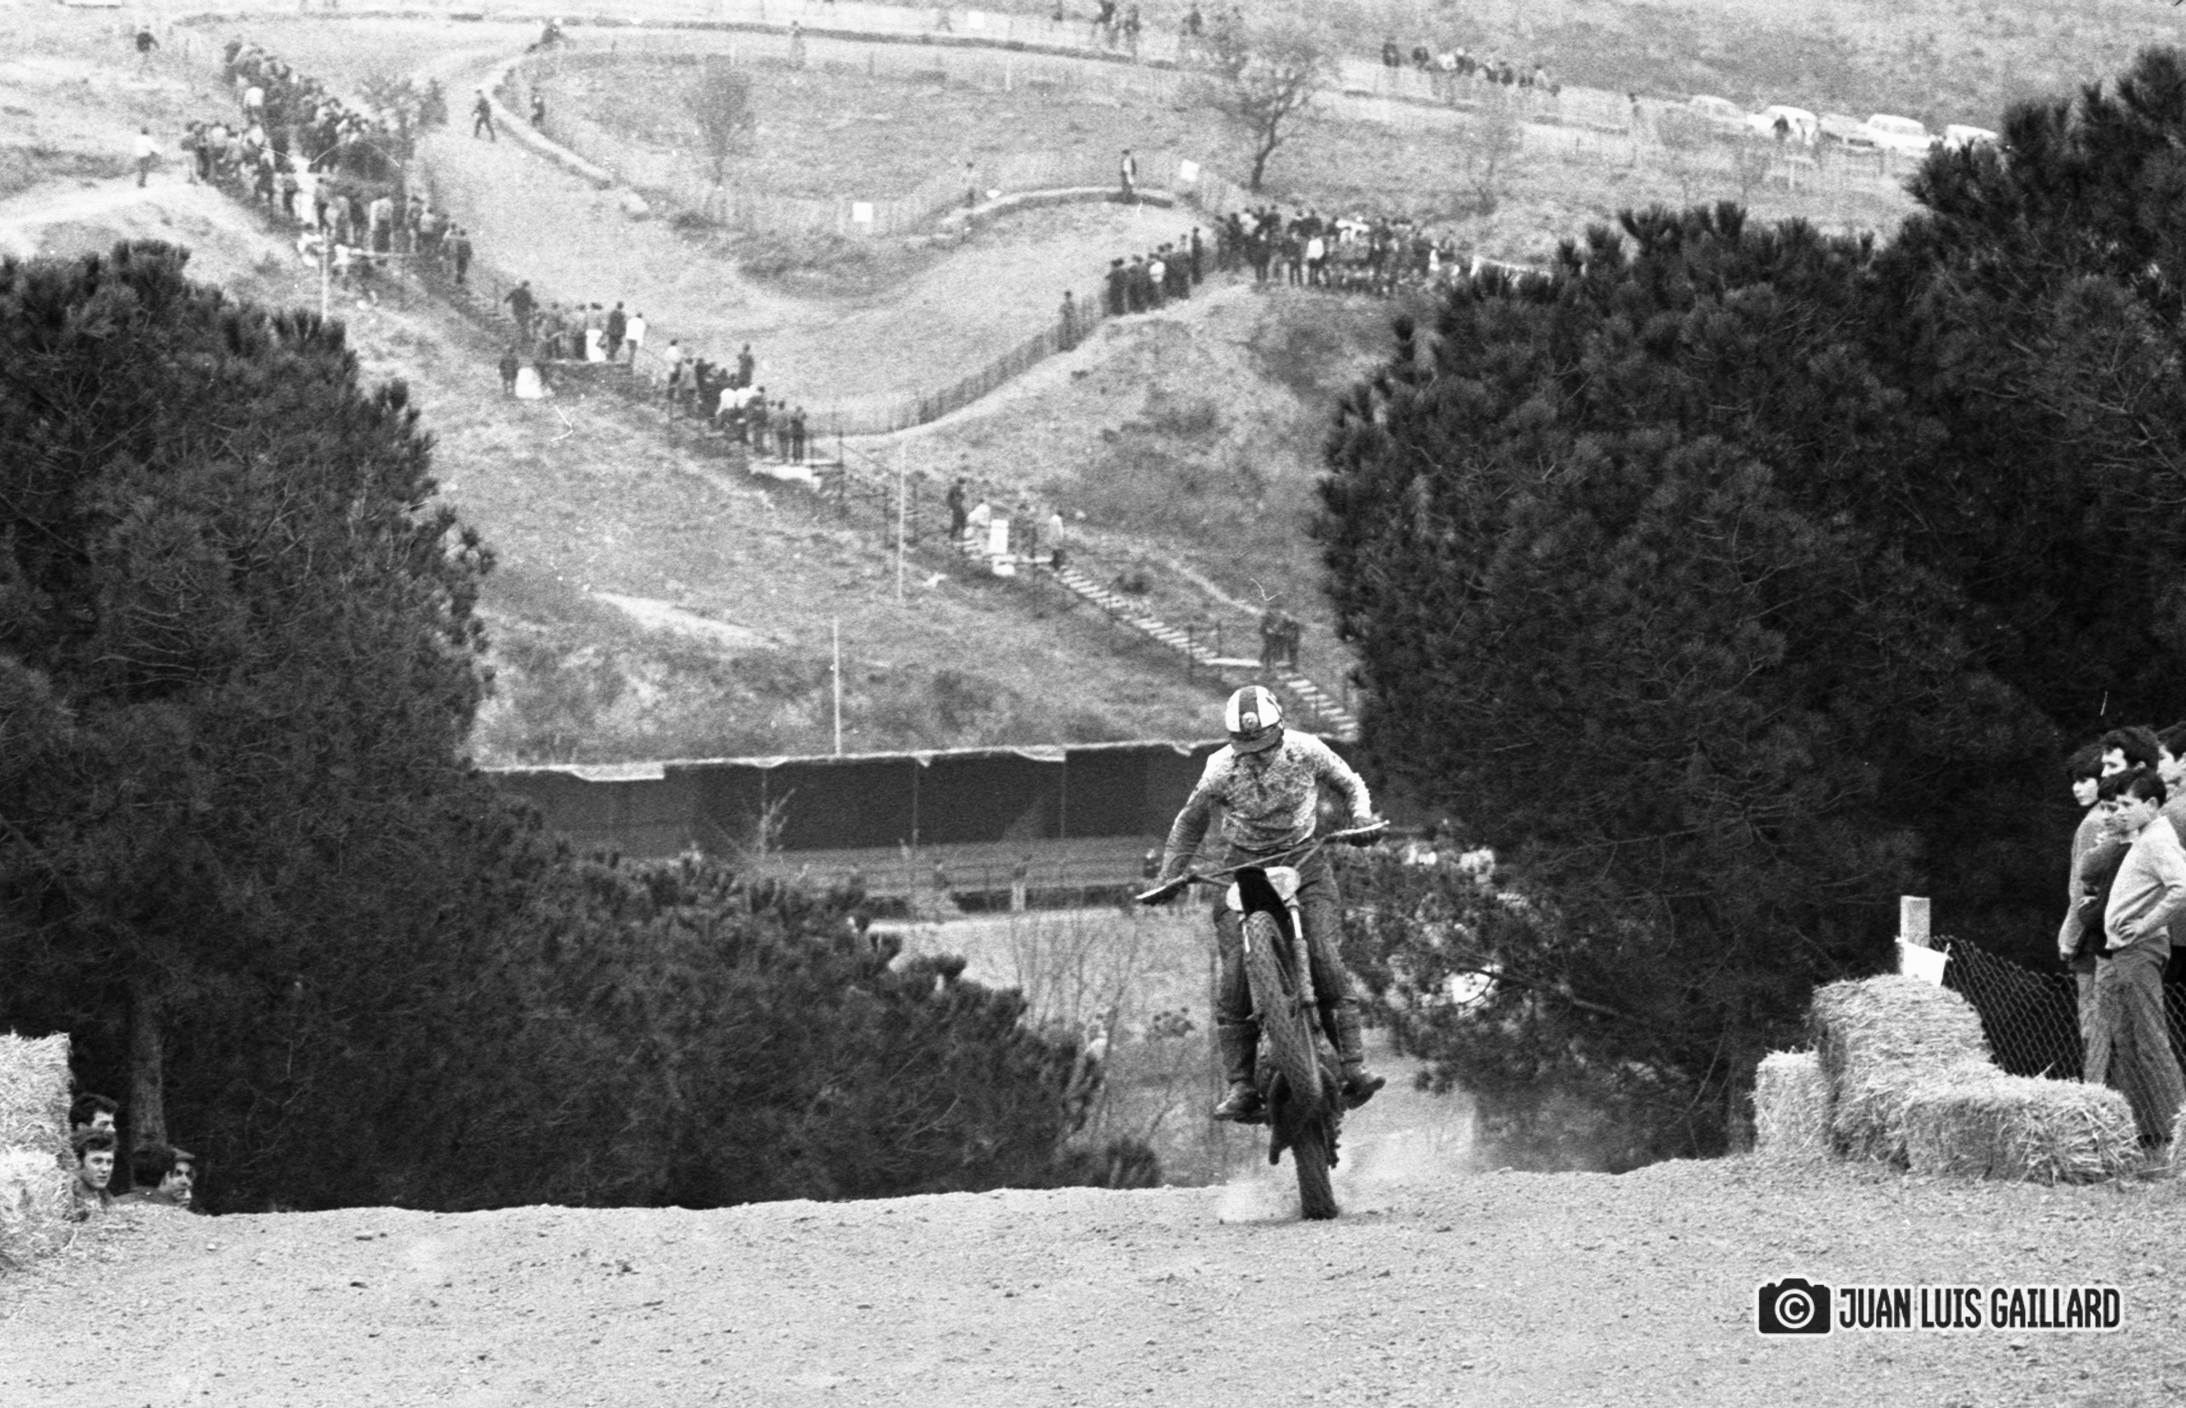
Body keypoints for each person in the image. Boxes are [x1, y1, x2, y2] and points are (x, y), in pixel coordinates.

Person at [1147, 685, 1385, 1120]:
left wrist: (1362, 817)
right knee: (1234, 974)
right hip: (1241, 866)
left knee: (1324, 954)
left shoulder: (1306, 750)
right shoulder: (1219, 767)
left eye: (1263, 745)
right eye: (1247, 748)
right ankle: (1240, 1085)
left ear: (1280, 729)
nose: (1256, 756)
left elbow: (1350, 784)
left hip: (1304, 860)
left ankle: (1354, 1065)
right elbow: (1190, 821)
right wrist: (1169, 875)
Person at [2093, 766, 2186, 1151]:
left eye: (2127, 805)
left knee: (2150, 1040)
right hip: (2125, 949)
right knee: (2130, 1041)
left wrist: (2146, 925)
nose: (2121, 812)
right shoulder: (2146, 836)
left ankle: (2179, 1136)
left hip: (2139, 949)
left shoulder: (2158, 839)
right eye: (2116, 805)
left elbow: (2181, 887)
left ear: (2150, 804)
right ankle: (2147, 1133)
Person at [119, 1144, 197, 1209]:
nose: (187, 1182)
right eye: (177, 1174)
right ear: (166, 1176)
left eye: (188, 1175)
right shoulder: (171, 1215)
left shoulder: (116, 1204)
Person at [69, 1129, 117, 1219]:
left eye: (109, 1162)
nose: (105, 1169)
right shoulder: (65, 1201)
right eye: (97, 1161)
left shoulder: (106, 1198)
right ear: (77, 1163)